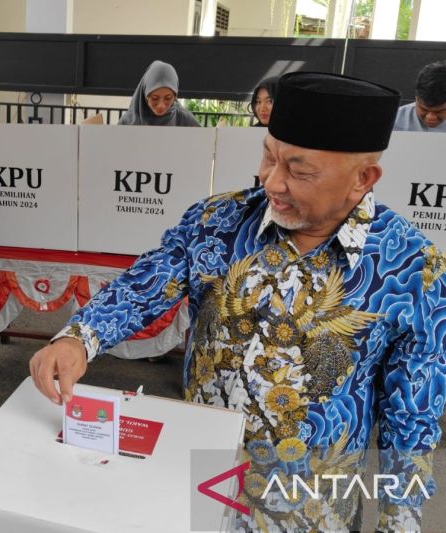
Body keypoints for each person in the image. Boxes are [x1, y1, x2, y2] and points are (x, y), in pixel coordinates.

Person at [30, 72, 445, 531]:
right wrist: (78, 339)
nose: (272, 182)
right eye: (268, 157)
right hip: (194, 480)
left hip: (307, 511)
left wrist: (398, 521)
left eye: (299, 170)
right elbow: (147, 283)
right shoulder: (218, 221)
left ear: (362, 179)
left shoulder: (412, 268)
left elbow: (413, 415)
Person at [117, 60, 200, 127]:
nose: (161, 105)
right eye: (155, 98)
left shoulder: (184, 119)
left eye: (168, 98)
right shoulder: (127, 122)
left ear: (175, 96)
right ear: (146, 96)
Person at [394, 60, 446, 133]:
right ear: (416, 98)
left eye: (439, 111)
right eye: (424, 109)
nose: (430, 117)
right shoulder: (394, 120)